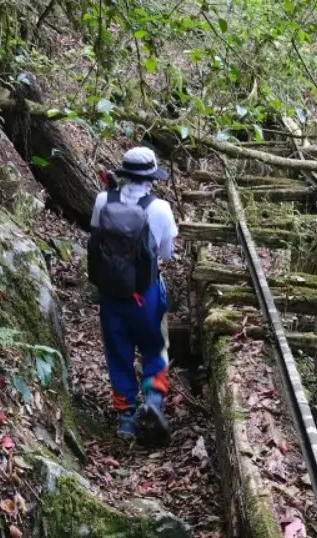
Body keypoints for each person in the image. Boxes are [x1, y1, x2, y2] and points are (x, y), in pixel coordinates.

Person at [87, 147, 178, 442]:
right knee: (155, 346)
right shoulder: (160, 208)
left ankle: (126, 416)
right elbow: (167, 253)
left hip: (111, 294)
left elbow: (97, 238)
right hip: (145, 293)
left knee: (118, 351)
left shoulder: (103, 200)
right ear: (151, 178)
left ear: (124, 173)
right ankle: (152, 400)